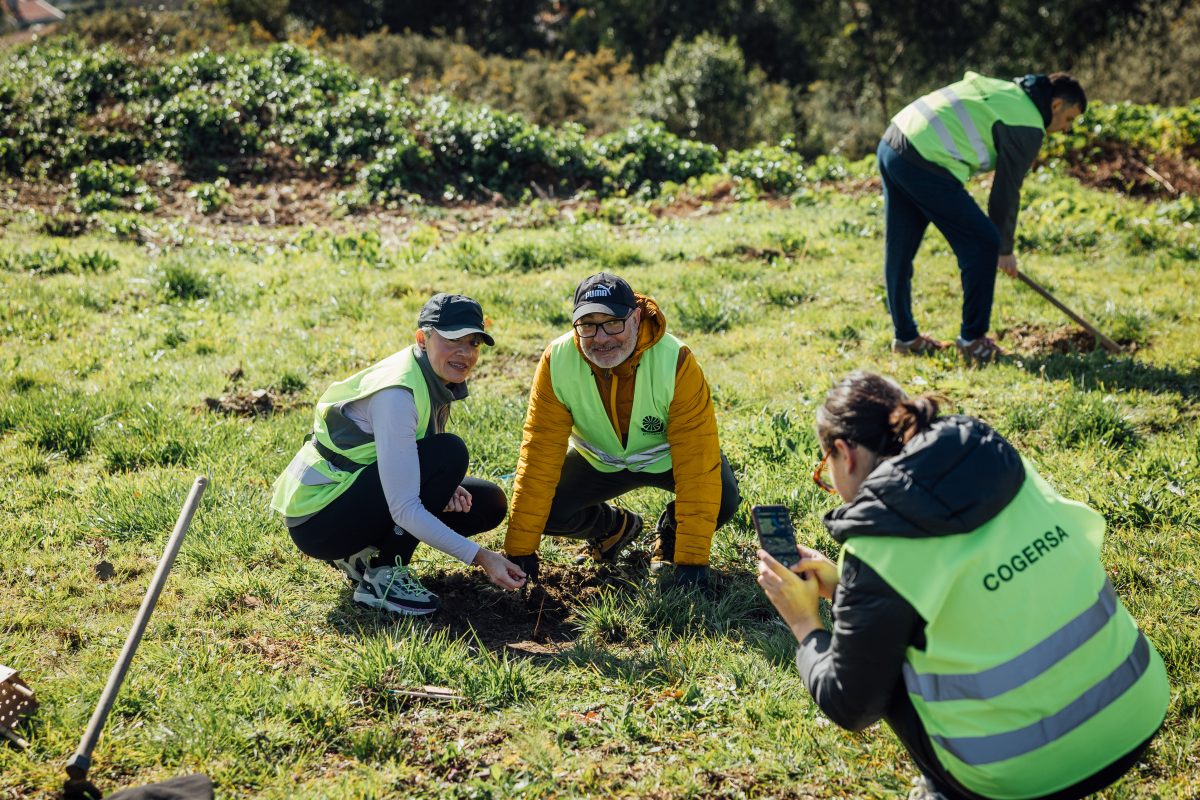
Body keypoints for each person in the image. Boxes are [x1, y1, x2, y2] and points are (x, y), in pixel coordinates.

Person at [757, 371, 1169, 800]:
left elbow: (851, 703)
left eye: (826, 469)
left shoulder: (880, 545)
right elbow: (985, 594)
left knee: (884, 665)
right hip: (1136, 706)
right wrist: (848, 591)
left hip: (1022, 776)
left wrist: (804, 623)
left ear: (844, 453)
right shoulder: (1003, 466)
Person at [270, 293, 526, 616]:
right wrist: (482, 557)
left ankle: (360, 555)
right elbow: (404, 508)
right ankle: (384, 576)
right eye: (452, 340)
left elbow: (411, 456)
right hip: (319, 521)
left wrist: (441, 487)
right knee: (451, 453)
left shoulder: (433, 375)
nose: (465, 353)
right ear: (423, 338)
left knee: (487, 503)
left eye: (474, 343)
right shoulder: (398, 394)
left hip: (348, 495)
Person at [503, 272, 740, 588]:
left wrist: (692, 563)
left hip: (667, 462)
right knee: (545, 511)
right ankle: (612, 528)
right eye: (588, 326)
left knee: (722, 499)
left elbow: (697, 461)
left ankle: (671, 537)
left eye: (613, 323)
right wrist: (520, 550)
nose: (600, 338)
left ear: (636, 317)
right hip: (599, 463)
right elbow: (539, 456)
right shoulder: (557, 361)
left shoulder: (676, 360)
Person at [879, 72, 1086, 362]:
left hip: (894, 139)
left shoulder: (1007, 91)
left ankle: (905, 338)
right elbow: (1006, 192)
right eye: (1069, 119)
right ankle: (973, 341)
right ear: (1056, 105)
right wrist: (1004, 249)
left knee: (899, 249)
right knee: (984, 242)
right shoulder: (1029, 124)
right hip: (924, 158)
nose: (1066, 128)